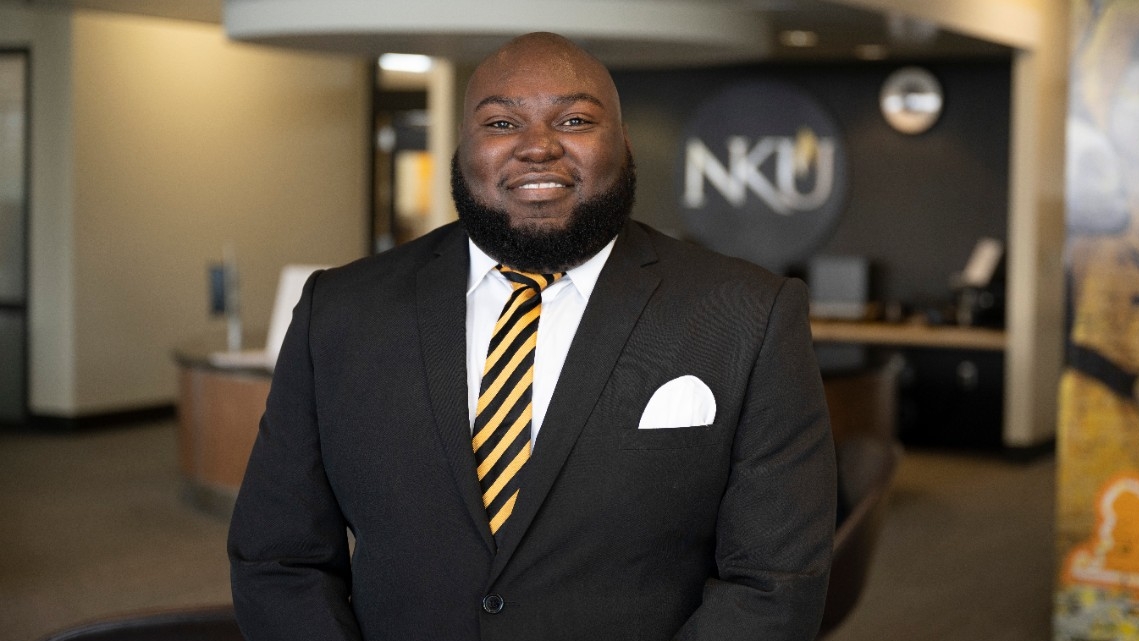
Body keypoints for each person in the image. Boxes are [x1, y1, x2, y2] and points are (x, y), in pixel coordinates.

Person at [228, 31, 836, 641]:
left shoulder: (749, 314)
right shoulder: (339, 311)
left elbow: (773, 583)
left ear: (622, 144)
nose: (538, 147)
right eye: (500, 123)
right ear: (462, 148)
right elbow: (279, 556)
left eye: (573, 119)